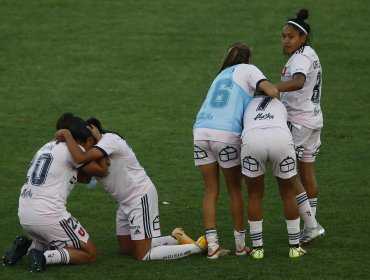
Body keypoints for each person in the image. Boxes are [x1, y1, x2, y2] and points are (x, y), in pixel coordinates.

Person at [55, 118, 207, 261]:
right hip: (124, 202)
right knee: (126, 249)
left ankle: (197, 247)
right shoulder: (96, 148)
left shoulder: (109, 140)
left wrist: (67, 136)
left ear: (89, 139)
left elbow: (80, 158)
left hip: (140, 196)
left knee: (143, 254)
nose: (79, 150)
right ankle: (175, 238)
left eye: (80, 145)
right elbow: (86, 176)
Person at [193, 43, 278, 259]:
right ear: (248, 58)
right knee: (235, 190)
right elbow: (273, 91)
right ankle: (240, 246)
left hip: (200, 131)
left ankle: (212, 247)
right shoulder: (249, 70)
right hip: (226, 135)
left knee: (211, 191)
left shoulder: (220, 75)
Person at [2, 114, 108, 273]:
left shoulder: (46, 146)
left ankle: (27, 246)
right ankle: (44, 256)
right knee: (89, 253)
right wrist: (101, 145)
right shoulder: (74, 150)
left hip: (24, 213)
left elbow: (83, 177)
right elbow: (102, 171)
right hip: (47, 215)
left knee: (57, 239)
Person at [275, 9, 325, 243]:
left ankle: (311, 225)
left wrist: (273, 88)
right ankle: (312, 225)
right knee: (306, 172)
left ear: (303, 37)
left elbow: (298, 82)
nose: (286, 41)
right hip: (313, 119)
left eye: (291, 36)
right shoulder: (309, 53)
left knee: (286, 173)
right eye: (284, 36)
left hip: (299, 123)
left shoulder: (301, 58)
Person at [241, 94, 307, 259]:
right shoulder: (280, 103)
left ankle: (257, 250)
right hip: (281, 139)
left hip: (253, 139)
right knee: (288, 194)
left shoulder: (246, 103)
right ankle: (294, 247)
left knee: (254, 196)